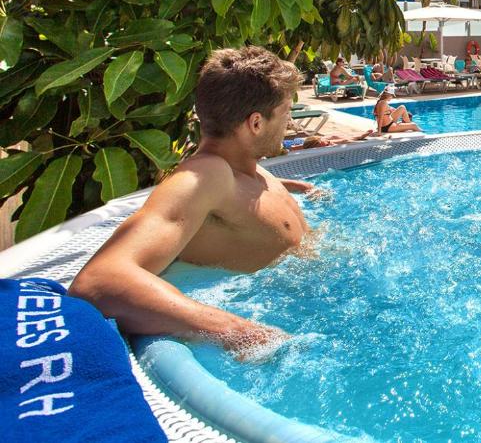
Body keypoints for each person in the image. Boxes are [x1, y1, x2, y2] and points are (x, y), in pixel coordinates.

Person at [70, 47, 318, 350]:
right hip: (285, 312)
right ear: (256, 123)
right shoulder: (206, 177)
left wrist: (295, 186)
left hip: (310, 292)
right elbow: (98, 280)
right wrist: (240, 332)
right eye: (285, 113)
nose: (289, 123)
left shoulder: (243, 165)